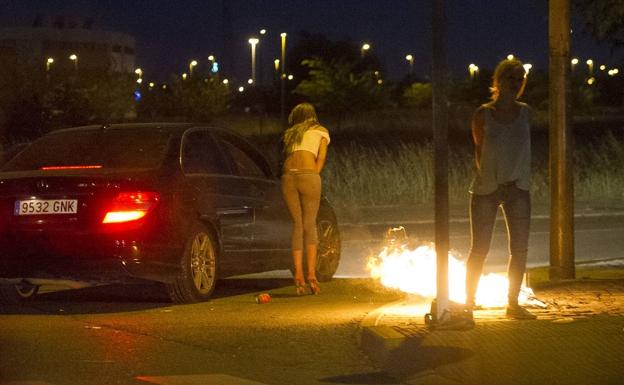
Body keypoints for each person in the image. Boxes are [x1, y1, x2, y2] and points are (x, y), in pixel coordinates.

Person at [465, 58, 536, 320]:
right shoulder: (483, 114)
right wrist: (489, 175)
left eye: (520, 80)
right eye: (511, 79)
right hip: (488, 189)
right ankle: (468, 303)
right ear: (498, 81)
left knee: (519, 249)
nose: (516, 85)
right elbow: (479, 151)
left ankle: (513, 304)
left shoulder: (526, 113)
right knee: (479, 249)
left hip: (518, 188)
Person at [281, 103, 330, 295]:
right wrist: (312, 176)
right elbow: (321, 159)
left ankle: (298, 274)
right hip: (308, 175)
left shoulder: (290, 134)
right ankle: (311, 274)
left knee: (297, 225)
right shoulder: (321, 131)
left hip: (288, 177)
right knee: (310, 225)